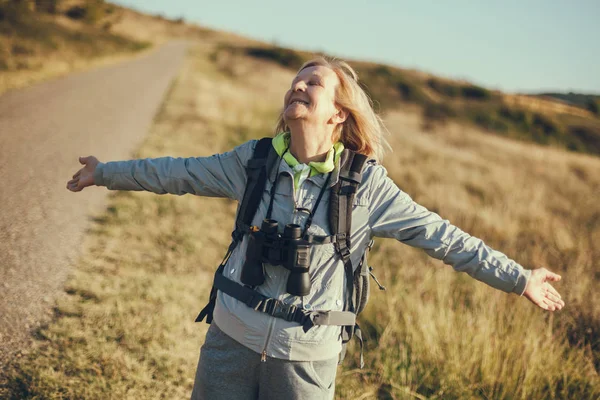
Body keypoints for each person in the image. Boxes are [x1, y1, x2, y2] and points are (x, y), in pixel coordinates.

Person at [66, 57, 565, 400]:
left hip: (306, 361)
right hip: (229, 342)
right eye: (295, 81)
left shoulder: (366, 186)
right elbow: (177, 172)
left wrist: (519, 278)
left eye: (313, 84)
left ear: (339, 113)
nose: (297, 87)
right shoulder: (254, 161)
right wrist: (104, 172)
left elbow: (445, 238)